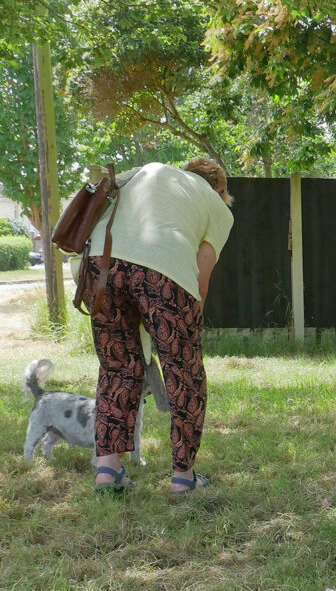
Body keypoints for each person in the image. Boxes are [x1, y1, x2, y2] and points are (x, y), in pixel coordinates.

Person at [83, 157, 234, 494]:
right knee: (184, 371)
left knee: (117, 366)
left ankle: (108, 472)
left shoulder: (150, 170)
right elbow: (202, 272)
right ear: (220, 188)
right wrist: (188, 332)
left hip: (101, 264)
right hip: (162, 271)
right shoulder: (217, 206)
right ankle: (183, 478)